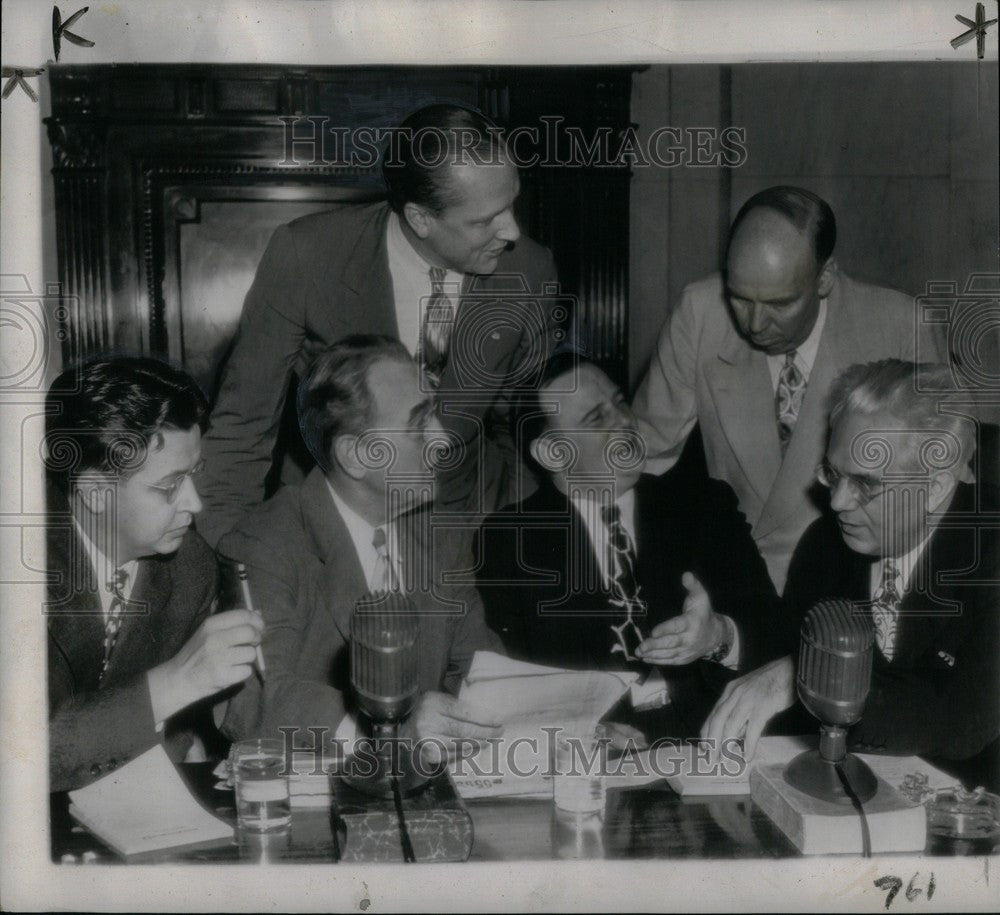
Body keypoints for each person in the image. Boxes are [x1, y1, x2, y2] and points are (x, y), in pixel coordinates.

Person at [198, 104, 561, 547]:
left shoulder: (531, 268)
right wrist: (235, 562)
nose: (513, 232)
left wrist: (508, 532)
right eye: (485, 220)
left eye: (511, 203)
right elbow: (243, 428)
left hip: (470, 525)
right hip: (332, 528)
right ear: (420, 218)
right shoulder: (306, 255)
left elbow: (526, 425)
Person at [632, 186, 943, 594]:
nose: (755, 324)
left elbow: (948, 484)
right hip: (733, 588)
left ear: (825, 276)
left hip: (848, 589)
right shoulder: (700, 312)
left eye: (780, 304)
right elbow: (644, 455)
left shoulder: (901, 326)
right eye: (740, 298)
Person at [703, 360, 999, 780]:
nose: (838, 502)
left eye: (865, 483)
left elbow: (964, 717)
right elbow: (781, 655)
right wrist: (720, 637)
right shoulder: (825, 544)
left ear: (934, 486)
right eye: (833, 474)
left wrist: (814, 677)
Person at [218, 336, 503, 755]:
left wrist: (571, 727)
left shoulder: (442, 535)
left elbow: (481, 669)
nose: (442, 438)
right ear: (355, 455)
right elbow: (255, 700)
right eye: (420, 423)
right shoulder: (264, 544)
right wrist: (394, 730)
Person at [475, 353, 784, 736]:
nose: (624, 420)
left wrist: (719, 636)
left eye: (620, 403)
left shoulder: (704, 505)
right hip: (588, 761)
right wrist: (586, 734)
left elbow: (775, 631)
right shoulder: (508, 542)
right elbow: (511, 684)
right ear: (552, 452)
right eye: (597, 418)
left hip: (712, 745)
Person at [45, 357, 263, 792]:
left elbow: (186, 731)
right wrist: (180, 680)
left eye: (194, 475)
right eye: (170, 485)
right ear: (95, 493)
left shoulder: (190, 564)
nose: (195, 504)